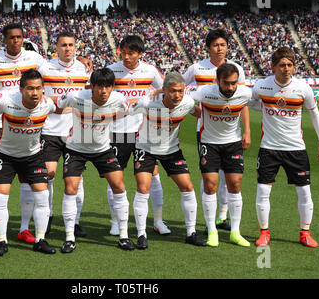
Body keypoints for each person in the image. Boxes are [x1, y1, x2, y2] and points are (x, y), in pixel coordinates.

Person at [0, 23, 48, 244]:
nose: (15, 41)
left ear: (23, 38)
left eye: (19, 37)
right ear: (5, 40)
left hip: (26, 122)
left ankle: (24, 228)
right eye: (11, 38)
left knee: (27, 178)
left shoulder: (34, 58)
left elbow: (54, 72)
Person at [252, 47, 319, 248]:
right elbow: (249, 102)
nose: (286, 69)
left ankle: (305, 233)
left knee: (304, 192)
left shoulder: (303, 88)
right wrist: (263, 107)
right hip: (269, 148)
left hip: (296, 148)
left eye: (290, 65)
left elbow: (314, 114)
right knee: (262, 191)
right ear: (273, 67)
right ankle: (264, 232)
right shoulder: (262, 86)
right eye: (282, 65)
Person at [55, 67, 135, 253]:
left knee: (119, 186)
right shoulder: (76, 97)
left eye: (108, 87)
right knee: (70, 187)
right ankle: (69, 238)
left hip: (102, 149)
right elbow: (57, 103)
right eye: (99, 86)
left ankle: (123, 235)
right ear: (92, 86)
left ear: (113, 87)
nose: (103, 91)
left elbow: (128, 109)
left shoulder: (118, 99)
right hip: (76, 149)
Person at [129, 72, 206, 249]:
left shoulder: (186, 102)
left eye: (180, 91)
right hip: (146, 149)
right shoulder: (148, 103)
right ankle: (141, 234)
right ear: (164, 90)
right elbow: (127, 111)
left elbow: (198, 113)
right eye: (172, 91)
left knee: (187, 186)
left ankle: (191, 233)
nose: (177, 95)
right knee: (143, 188)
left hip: (171, 150)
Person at [183, 28, 247, 232]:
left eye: (223, 45)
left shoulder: (236, 67)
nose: (219, 49)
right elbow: (181, 89)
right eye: (215, 45)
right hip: (206, 130)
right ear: (208, 48)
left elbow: (243, 101)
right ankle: (209, 219)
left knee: (228, 176)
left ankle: (222, 216)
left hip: (230, 130)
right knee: (209, 177)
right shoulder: (197, 68)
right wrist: (194, 110)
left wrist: (247, 130)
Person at [0, 69, 57, 256]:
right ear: (20, 89)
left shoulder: (47, 104)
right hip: (5, 155)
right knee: (1, 197)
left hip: (33, 156)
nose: (34, 93)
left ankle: (40, 239)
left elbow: (63, 105)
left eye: (38, 89)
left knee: (43, 197)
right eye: (29, 89)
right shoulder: (6, 102)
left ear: (43, 89)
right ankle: (2, 241)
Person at [106, 35, 168, 236]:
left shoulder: (149, 70)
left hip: (145, 131)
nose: (126, 56)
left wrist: (152, 94)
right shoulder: (112, 70)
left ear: (140, 54)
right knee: (115, 178)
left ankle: (158, 220)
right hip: (118, 131)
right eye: (123, 52)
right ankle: (115, 221)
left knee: (153, 176)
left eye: (131, 53)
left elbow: (167, 86)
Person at [190, 63, 251, 247]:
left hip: (233, 143)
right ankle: (212, 231)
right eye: (226, 83)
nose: (230, 87)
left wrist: (247, 131)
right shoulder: (204, 92)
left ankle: (235, 232)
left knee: (235, 184)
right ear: (217, 81)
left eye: (233, 83)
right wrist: (199, 114)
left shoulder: (244, 93)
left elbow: (250, 104)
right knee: (210, 185)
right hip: (209, 143)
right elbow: (183, 101)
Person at [39, 31, 91, 238]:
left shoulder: (83, 69)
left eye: (71, 45)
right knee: (48, 174)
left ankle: (75, 221)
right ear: (56, 48)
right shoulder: (45, 67)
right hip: (50, 129)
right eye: (63, 45)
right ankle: (48, 215)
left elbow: (89, 96)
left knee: (77, 179)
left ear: (75, 47)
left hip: (76, 131)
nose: (67, 48)